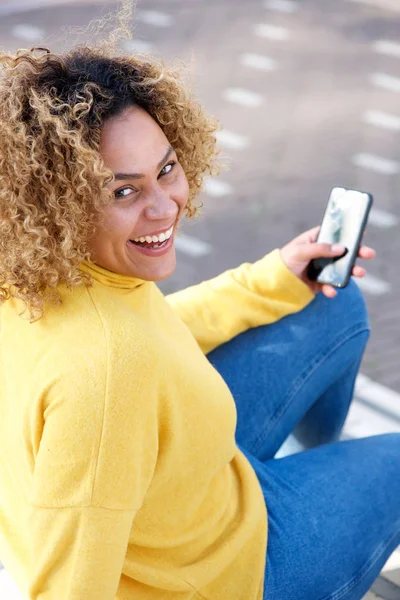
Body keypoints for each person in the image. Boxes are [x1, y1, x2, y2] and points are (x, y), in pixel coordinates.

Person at [0, 38, 398, 600]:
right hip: (224, 575)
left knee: (331, 301)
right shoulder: (106, 375)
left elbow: (161, 331)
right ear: (58, 202)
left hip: (191, 494)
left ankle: (319, 477)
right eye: (123, 190)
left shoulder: (44, 273)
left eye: (166, 169)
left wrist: (274, 278)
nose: (163, 206)